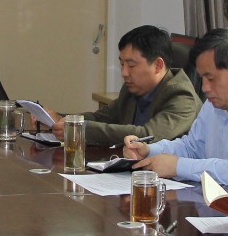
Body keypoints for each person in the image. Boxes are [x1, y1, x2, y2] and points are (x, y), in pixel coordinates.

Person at [124, 27, 228, 190]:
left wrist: (178, 166)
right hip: (213, 203)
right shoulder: (214, 103)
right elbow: (191, 147)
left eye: (211, 78)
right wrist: (149, 150)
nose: (204, 88)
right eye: (202, 78)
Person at [50, 25, 200, 146]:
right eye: (122, 64)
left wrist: (78, 129)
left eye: (131, 65)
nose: (124, 73)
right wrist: (61, 119)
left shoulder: (182, 97)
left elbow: (146, 136)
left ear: (158, 65)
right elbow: (102, 118)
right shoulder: (133, 88)